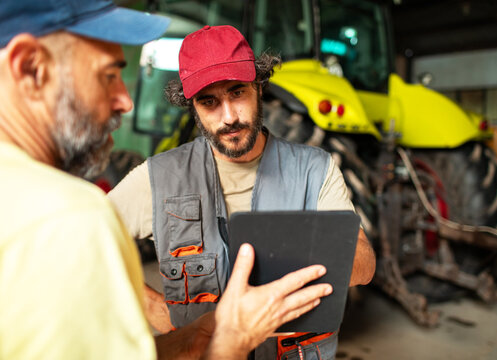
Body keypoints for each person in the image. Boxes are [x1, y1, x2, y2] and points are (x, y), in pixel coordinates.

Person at [0, 1, 333, 359]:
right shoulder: (74, 219)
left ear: (258, 88)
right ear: (31, 67)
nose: (125, 101)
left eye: (238, 92)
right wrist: (232, 342)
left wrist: (184, 341)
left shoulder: (23, 199)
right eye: (108, 75)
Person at [109, 24, 376, 360]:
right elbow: (84, 246)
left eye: (237, 93)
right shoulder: (158, 178)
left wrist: (300, 265)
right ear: (192, 107)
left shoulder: (315, 169)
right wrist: (155, 309)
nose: (229, 117)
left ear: (259, 87)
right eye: (209, 103)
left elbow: (364, 265)